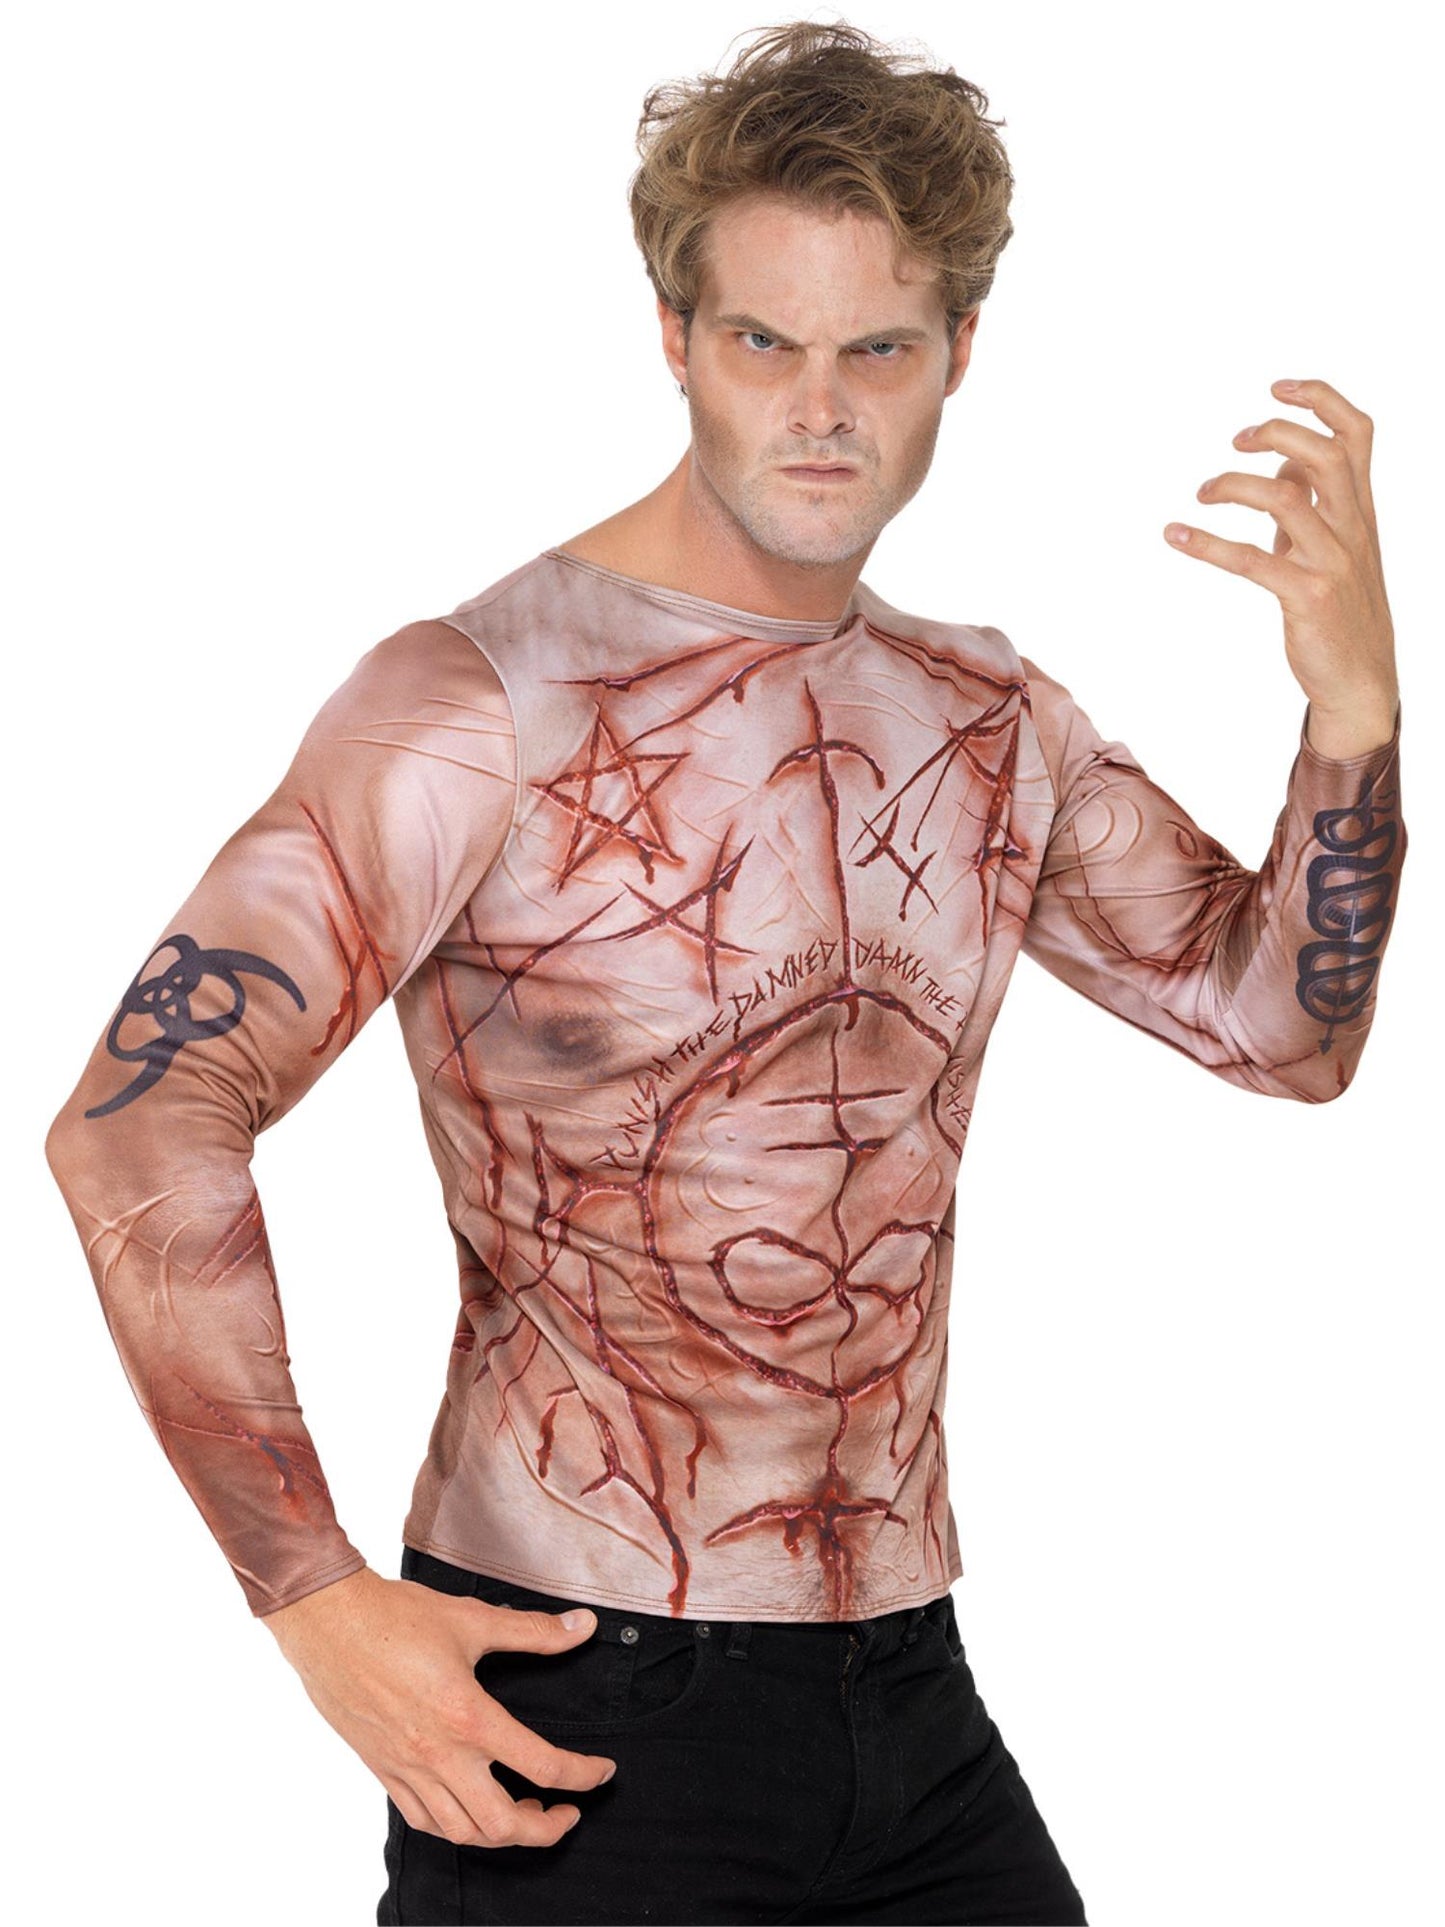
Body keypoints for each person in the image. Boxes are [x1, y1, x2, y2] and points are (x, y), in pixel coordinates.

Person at [44, 19, 1405, 1926]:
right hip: (573, 1695)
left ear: (961, 354)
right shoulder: (478, 699)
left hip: (908, 1690)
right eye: (764, 342)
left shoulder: (985, 716)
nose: (819, 409)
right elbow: (138, 1122)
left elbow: (1279, 1034)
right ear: (673, 338)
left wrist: (1351, 715)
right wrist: (314, 1600)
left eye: (878, 351)